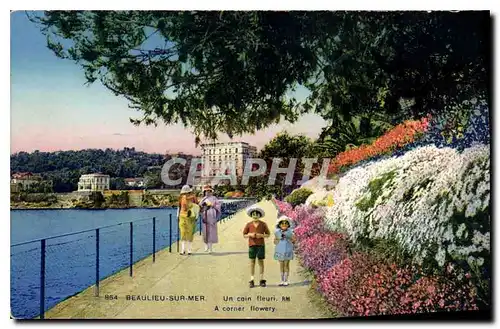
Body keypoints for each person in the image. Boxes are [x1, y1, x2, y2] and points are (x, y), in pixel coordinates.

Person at [242, 205, 270, 288]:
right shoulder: (248, 224)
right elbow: (244, 234)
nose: (255, 216)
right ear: (251, 215)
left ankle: (261, 279)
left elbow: (268, 234)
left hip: (260, 245)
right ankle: (252, 279)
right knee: (252, 262)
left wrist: (261, 235)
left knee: (261, 262)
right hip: (252, 245)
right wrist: (250, 234)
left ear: (260, 215)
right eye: (253, 214)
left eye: (257, 214)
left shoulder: (263, 224)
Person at [273, 215, 296, 286]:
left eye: (286, 223)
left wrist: (289, 237)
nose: (284, 225)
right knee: (281, 265)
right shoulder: (277, 232)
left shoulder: (290, 232)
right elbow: (275, 242)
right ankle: (282, 280)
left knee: (286, 265)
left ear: (288, 225)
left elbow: (294, 240)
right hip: (280, 250)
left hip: (288, 250)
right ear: (279, 225)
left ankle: (286, 280)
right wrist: (278, 239)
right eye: (282, 223)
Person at [177, 184, 199, 255]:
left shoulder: (193, 198)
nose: (185, 194)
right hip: (182, 216)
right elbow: (179, 207)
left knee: (190, 233)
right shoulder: (181, 197)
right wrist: (177, 215)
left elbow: (197, 207)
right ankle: (183, 250)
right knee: (183, 232)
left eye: (185, 192)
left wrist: (197, 216)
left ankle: (189, 250)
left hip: (191, 217)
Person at [199, 185, 221, 253]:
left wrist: (212, 205)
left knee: (211, 231)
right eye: (206, 191)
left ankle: (210, 247)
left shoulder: (214, 198)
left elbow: (218, 206)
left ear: (211, 192)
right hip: (205, 215)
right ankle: (206, 245)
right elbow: (199, 207)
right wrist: (202, 206)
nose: (207, 192)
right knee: (205, 231)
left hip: (211, 215)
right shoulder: (203, 199)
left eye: (209, 191)